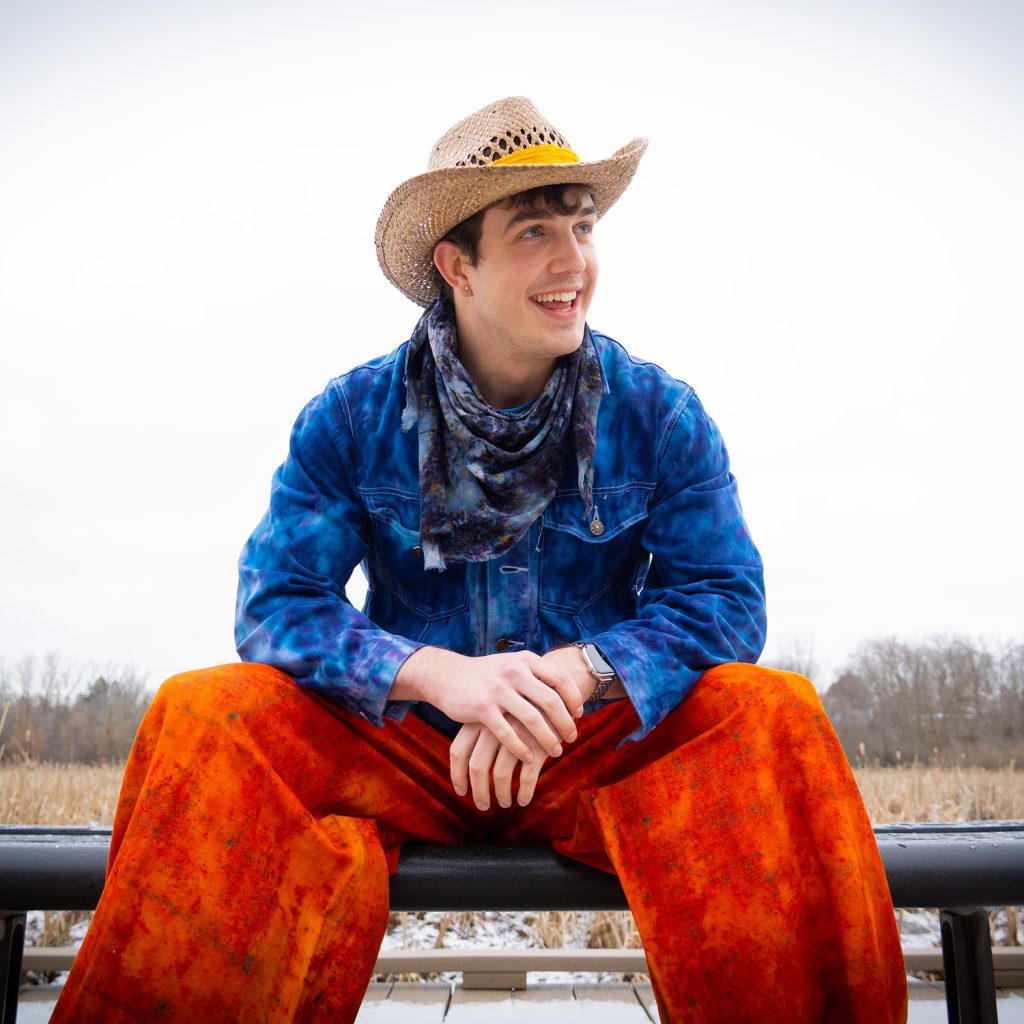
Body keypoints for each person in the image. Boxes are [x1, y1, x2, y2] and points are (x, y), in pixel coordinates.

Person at [52, 96, 907, 1023]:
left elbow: (726, 598)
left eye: (583, 227)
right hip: (409, 752)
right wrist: (441, 677)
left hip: (592, 748)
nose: (573, 260)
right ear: (456, 264)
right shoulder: (351, 416)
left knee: (774, 713)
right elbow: (277, 602)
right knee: (203, 713)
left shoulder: (660, 413)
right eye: (535, 231)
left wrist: (576, 674)